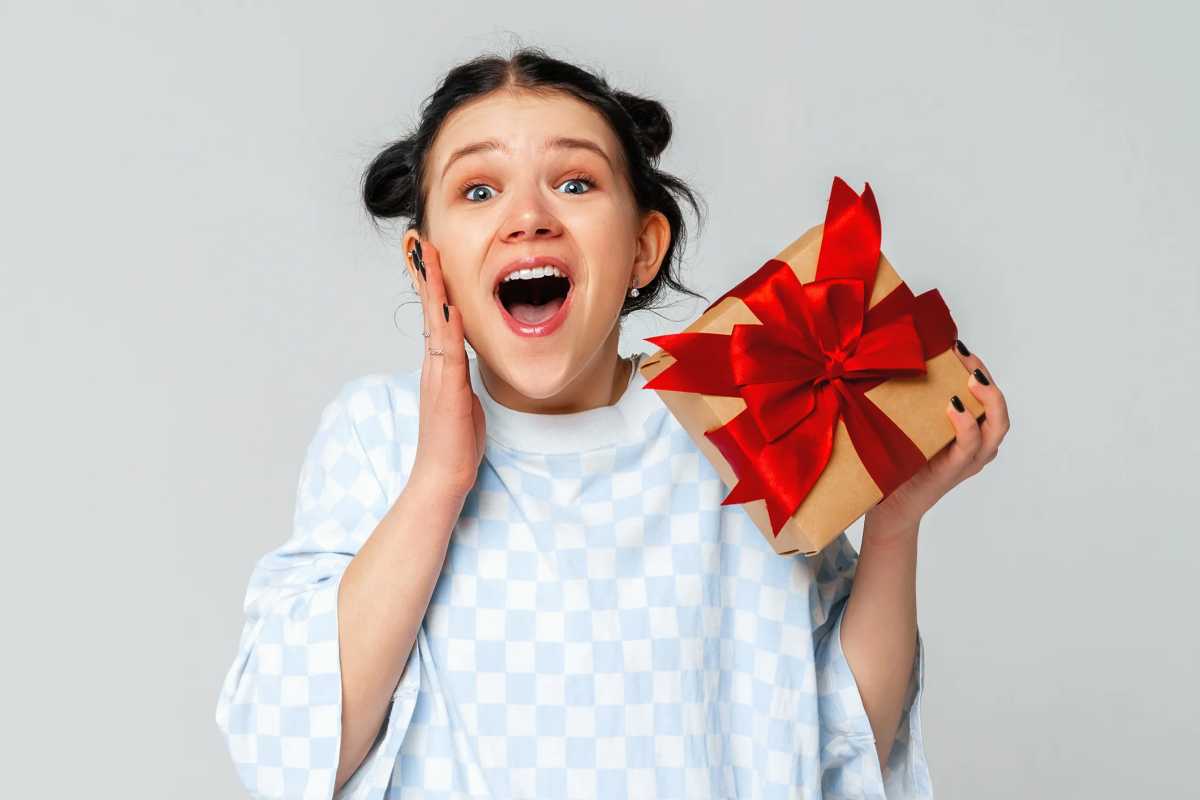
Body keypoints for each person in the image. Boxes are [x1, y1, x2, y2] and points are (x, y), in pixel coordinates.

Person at [214, 46, 1010, 799]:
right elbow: (290, 751)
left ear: (642, 248)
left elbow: (836, 745)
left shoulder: (733, 415)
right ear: (428, 263)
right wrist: (441, 476)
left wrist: (896, 523)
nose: (528, 217)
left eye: (575, 183)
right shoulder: (379, 434)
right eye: (479, 190)